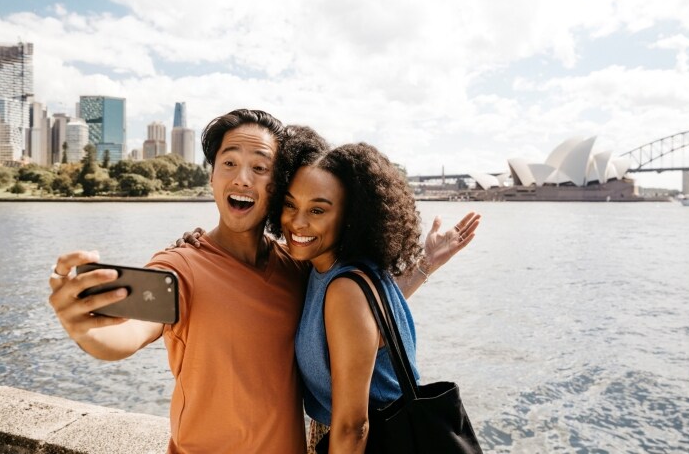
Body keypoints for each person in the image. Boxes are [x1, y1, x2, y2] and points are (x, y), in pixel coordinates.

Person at [47, 109, 479, 454]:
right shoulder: (181, 267)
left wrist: (424, 266)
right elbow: (128, 331)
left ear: (278, 185)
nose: (242, 178)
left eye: (261, 167)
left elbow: (356, 324)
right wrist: (84, 326)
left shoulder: (297, 268)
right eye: (229, 163)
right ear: (212, 177)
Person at [267, 127, 478, 452]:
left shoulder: (345, 288)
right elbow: (369, 326)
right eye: (290, 204)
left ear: (350, 217)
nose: (297, 222)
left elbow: (353, 426)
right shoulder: (337, 270)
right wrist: (426, 265)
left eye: (318, 210)